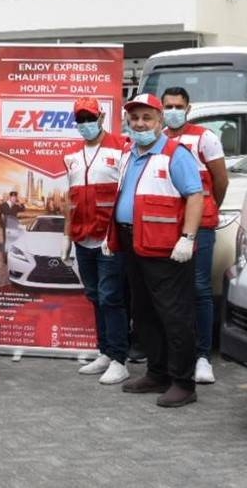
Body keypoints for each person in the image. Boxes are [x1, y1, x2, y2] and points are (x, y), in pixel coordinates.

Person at [110, 93, 202, 408]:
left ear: (160, 121)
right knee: (144, 312)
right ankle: (157, 372)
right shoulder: (128, 153)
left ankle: (183, 382)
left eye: (146, 118)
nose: (140, 124)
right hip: (133, 244)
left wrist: (187, 237)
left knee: (174, 315)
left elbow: (195, 196)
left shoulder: (176, 154)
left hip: (167, 249)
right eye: (134, 118)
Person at [161, 86, 227, 384]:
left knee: (200, 287)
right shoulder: (157, 137)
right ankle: (173, 352)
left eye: (178, 105)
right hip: (166, 226)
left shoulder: (205, 137)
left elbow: (220, 180)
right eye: (168, 105)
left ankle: (202, 357)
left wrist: (208, 210)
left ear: (188, 108)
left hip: (200, 225)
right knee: (171, 291)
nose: (172, 110)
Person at [61, 97, 129, 385]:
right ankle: (104, 351)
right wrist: (66, 237)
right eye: (81, 119)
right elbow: (70, 201)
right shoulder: (71, 156)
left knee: (111, 296)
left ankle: (120, 359)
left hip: (109, 238)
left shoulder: (123, 148)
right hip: (82, 238)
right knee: (94, 295)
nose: (86, 124)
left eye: (90, 118)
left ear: (102, 117)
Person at [0, 191, 25, 263]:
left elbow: (23, 209)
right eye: (13, 197)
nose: (14, 199)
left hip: (14, 227)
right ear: (10, 197)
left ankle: (13, 259)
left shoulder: (16, 206)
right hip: (6, 227)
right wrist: (2, 225)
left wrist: (21, 203)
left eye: (15, 197)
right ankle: (5, 259)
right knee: (6, 243)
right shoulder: (3, 205)